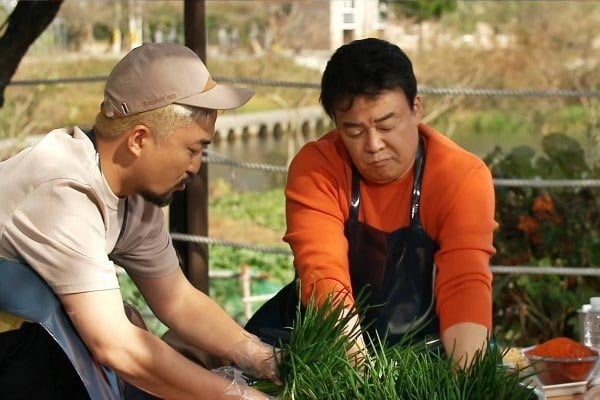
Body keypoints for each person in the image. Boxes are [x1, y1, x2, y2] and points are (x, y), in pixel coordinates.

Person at [0, 43, 278, 399]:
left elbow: (177, 300)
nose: (196, 166)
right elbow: (116, 345)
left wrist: (261, 356)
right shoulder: (62, 193)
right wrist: (238, 396)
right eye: (192, 150)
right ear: (139, 139)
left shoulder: (135, 198)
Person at [246, 38, 496, 369]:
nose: (373, 145)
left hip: (428, 344)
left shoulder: (461, 176)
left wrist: (467, 378)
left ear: (416, 108)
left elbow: (464, 283)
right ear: (336, 123)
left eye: (386, 125)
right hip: (324, 335)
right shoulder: (316, 168)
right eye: (354, 130)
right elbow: (324, 276)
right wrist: (365, 378)